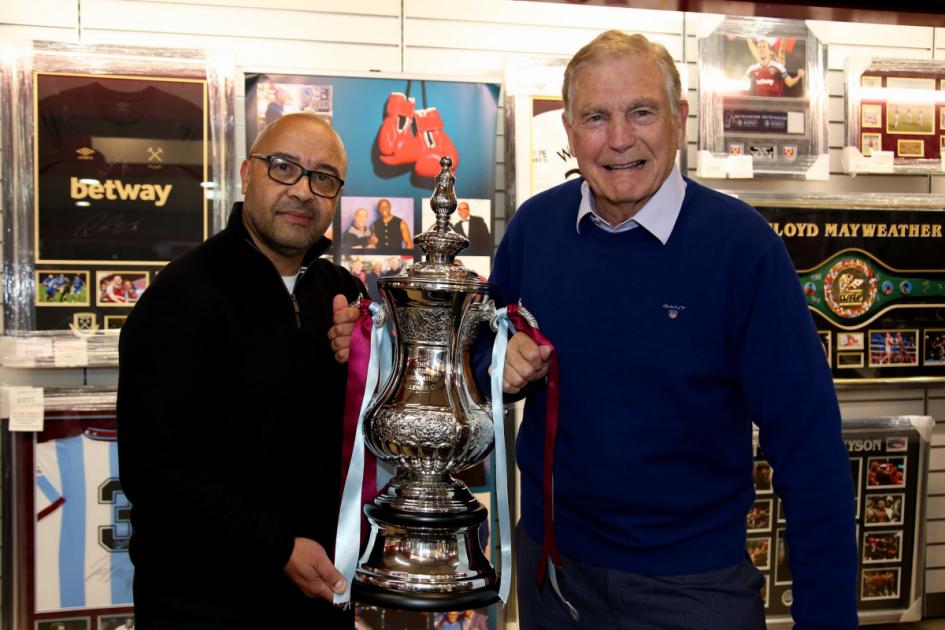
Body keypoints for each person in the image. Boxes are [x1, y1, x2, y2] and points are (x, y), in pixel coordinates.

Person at [331, 31, 857, 629]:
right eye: (595, 117)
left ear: (679, 120)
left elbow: (809, 447)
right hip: (553, 575)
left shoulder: (742, 249)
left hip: (691, 590)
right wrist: (493, 368)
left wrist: (828, 617)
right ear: (569, 133)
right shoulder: (536, 229)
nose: (619, 139)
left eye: (641, 111)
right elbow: (474, 350)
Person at [117, 113, 362, 629]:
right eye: (283, 168)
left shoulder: (345, 297)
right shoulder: (181, 298)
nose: (302, 191)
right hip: (202, 601)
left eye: (323, 178)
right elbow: (156, 471)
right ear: (247, 175)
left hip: (321, 592)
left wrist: (369, 357)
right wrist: (277, 549)